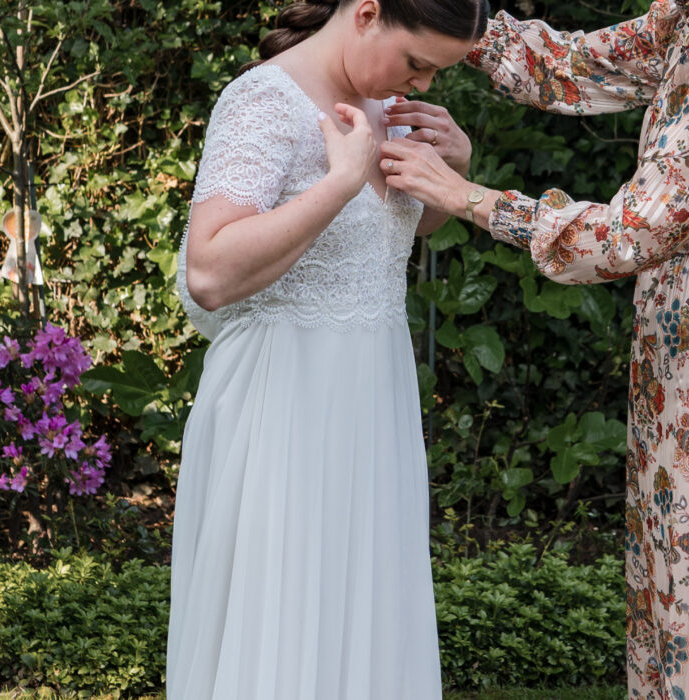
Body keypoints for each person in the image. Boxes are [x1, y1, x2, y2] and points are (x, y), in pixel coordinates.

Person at [382, 0, 689, 697]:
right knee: (686, 577)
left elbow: (631, 234)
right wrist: (463, 20)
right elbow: (576, 68)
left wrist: (470, 198)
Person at [166, 0, 486, 697]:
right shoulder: (263, 101)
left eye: (436, 72)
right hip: (283, 404)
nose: (425, 86)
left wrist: (452, 171)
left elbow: (401, 226)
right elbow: (211, 272)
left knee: (362, 608)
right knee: (280, 611)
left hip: (372, 400)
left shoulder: (384, 101)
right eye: (418, 63)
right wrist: (343, 181)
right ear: (367, 13)